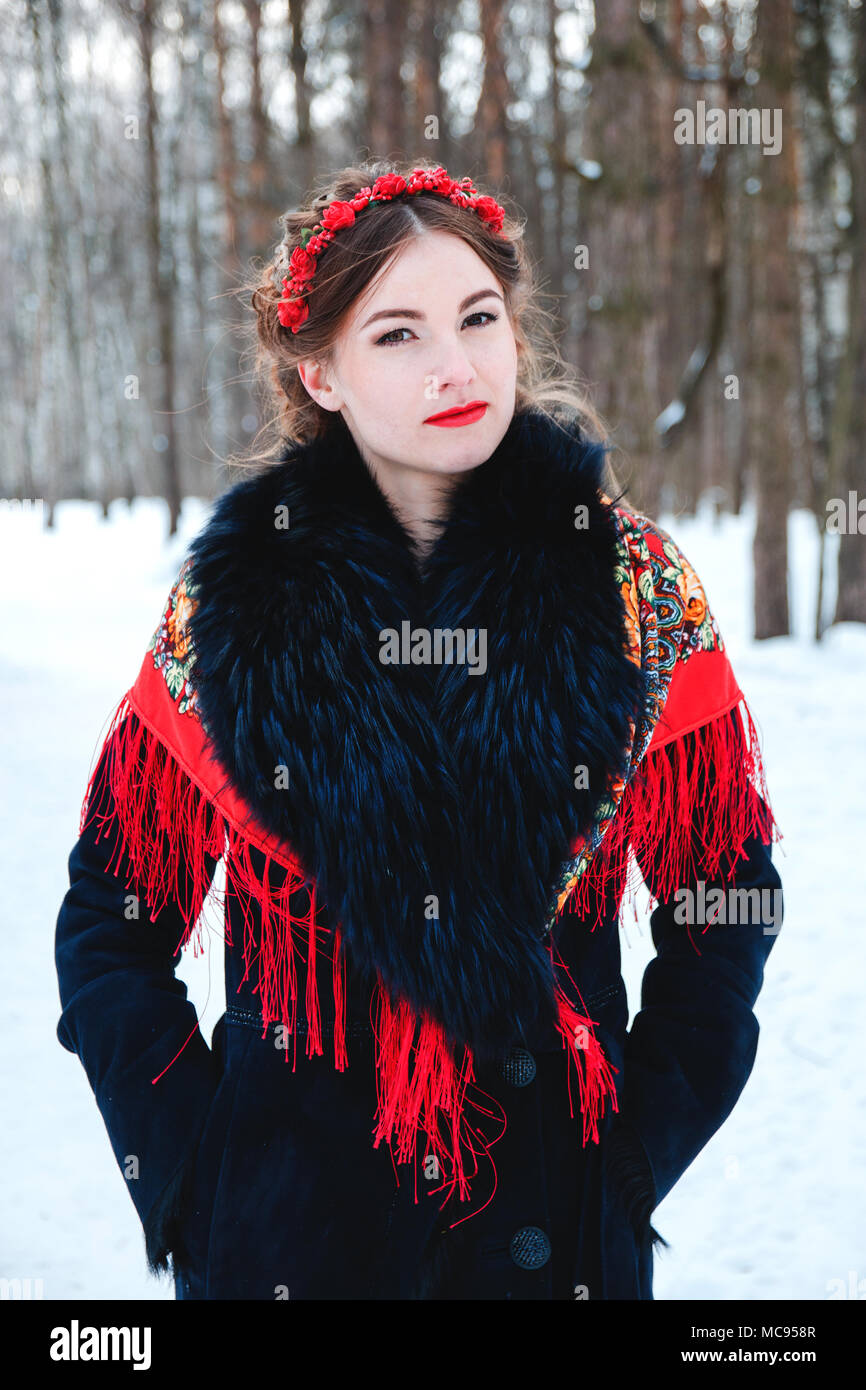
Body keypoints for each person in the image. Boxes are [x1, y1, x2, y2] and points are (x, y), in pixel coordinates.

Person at [54, 158, 783, 1301]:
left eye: (477, 317)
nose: (455, 365)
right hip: (294, 1247)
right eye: (396, 335)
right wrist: (198, 1175)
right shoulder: (232, 609)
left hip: (554, 1234)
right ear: (321, 373)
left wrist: (633, 1154)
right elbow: (112, 921)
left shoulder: (629, 578)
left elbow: (723, 893)